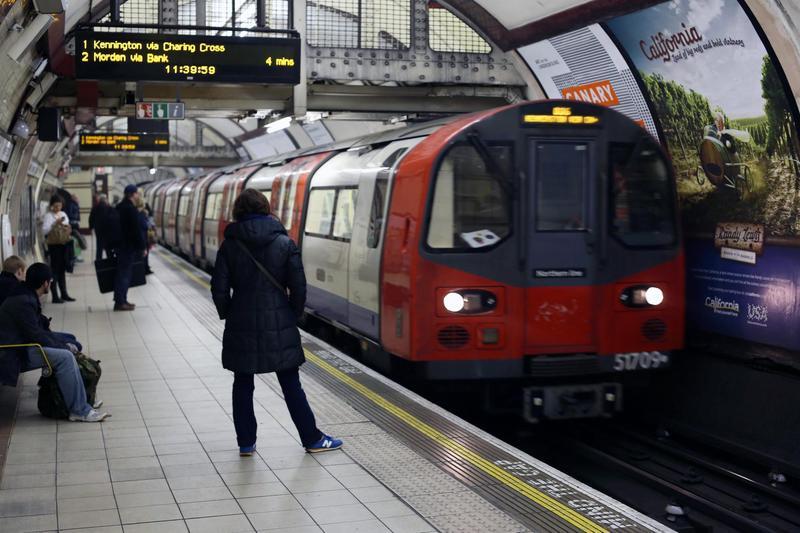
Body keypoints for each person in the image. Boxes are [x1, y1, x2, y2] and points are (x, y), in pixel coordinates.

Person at [211, 188, 342, 456]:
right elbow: (299, 286)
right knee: (291, 382)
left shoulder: (230, 244)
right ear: (266, 208)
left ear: (238, 211)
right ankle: (312, 438)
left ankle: (246, 443)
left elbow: (219, 288)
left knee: (242, 383)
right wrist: (291, 314)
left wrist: (229, 312)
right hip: (279, 318)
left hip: (241, 321)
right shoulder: (284, 243)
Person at [0, 263, 107, 422]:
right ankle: (79, 410)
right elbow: (35, 334)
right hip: (13, 352)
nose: (50, 283)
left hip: (23, 343)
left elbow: (35, 328)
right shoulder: (23, 301)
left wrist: (65, 343)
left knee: (72, 341)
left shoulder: (25, 295)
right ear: (45, 283)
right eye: (50, 281)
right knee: (65, 357)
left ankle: (83, 399)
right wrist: (63, 347)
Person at [113, 185, 146, 311]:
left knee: (122, 273)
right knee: (124, 274)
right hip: (127, 247)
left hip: (120, 245)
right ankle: (120, 302)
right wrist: (142, 247)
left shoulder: (120, 207)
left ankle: (121, 299)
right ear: (132, 194)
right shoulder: (130, 209)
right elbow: (135, 231)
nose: (138, 196)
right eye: (137, 194)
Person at [42, 195, 75, 303]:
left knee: (62, 270)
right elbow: (44, 231)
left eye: (60, 206)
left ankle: (64, 293)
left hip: (63, 245)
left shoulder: (63, 214)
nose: (58, 208)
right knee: (55, 271)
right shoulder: (48, 216)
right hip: (54, 246)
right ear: (52, 206)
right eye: (56, 206)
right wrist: (55, 224)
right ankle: (55, 296)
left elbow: (68, 227)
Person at [89, 194, 112, 261]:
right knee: (108, 245)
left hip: (98, 228)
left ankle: (98, 259)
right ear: (105, 199)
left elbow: (91, 218)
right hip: (107, 229)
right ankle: (109, 258)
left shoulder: (95, 207)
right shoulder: (108, 207)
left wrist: (91, 227)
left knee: (99, 245)